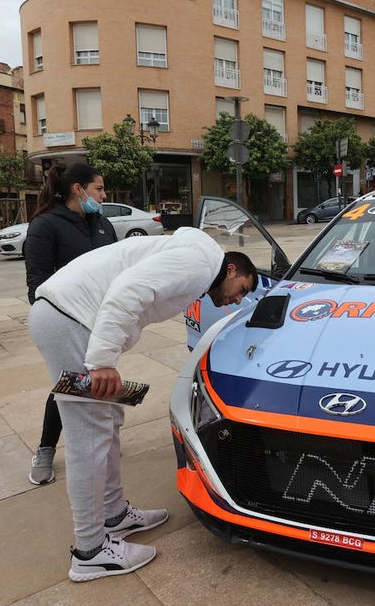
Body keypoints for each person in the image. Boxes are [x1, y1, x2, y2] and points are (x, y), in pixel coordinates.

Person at [29, 227, 258, 581]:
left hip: (71, 317)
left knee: (107, 421)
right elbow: (130, 289)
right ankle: (90, 551)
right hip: (71, 319)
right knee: (89, 437)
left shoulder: (196, 260)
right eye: (242, 288)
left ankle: (114, 515)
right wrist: (102, 360)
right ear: (231, 269)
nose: (237, 299)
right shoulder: (202, 262)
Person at [26, 164, 119, 486]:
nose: (104, 196)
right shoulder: (45, 225)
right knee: (67, 386)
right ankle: (46, 448)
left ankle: (104, 442)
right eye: (99, 189)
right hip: (67, 322)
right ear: (78, 189)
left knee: (99, 383)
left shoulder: (103, 224)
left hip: (103, 322)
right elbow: (37, 286)